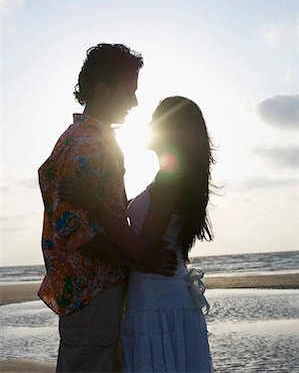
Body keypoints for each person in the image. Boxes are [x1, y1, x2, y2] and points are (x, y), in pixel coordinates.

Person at [38, 43, 177, 373]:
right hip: (91, 291)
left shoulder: (97, 141)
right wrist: (143, 260)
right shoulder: (83, 144)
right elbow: (76, 232)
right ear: (103, 90)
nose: (135, 102)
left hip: (97, 290)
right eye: (129, 91)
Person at [58, 95, 215, 372]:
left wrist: (93, 203)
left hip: (158, 299)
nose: (150, 124)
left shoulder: (170, 176)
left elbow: (144, 248)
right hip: (163, 295)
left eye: (157, 120)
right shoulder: (171, 176)